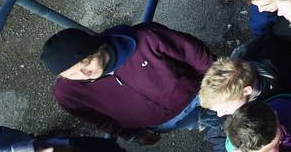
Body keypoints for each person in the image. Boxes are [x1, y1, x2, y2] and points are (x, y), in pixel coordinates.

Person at [41, 23, 215, 143]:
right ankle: (207, 124)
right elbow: (97, 119)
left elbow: (196, 55)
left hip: (200, 93)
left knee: (228, 116)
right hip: (163, 123)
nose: (84, 74)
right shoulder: (66, 93)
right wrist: (132, 135)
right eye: (71, 74)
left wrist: (221, 82)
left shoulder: (148, 38)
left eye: (86, 63)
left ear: (98, 47)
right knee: (201, 123)